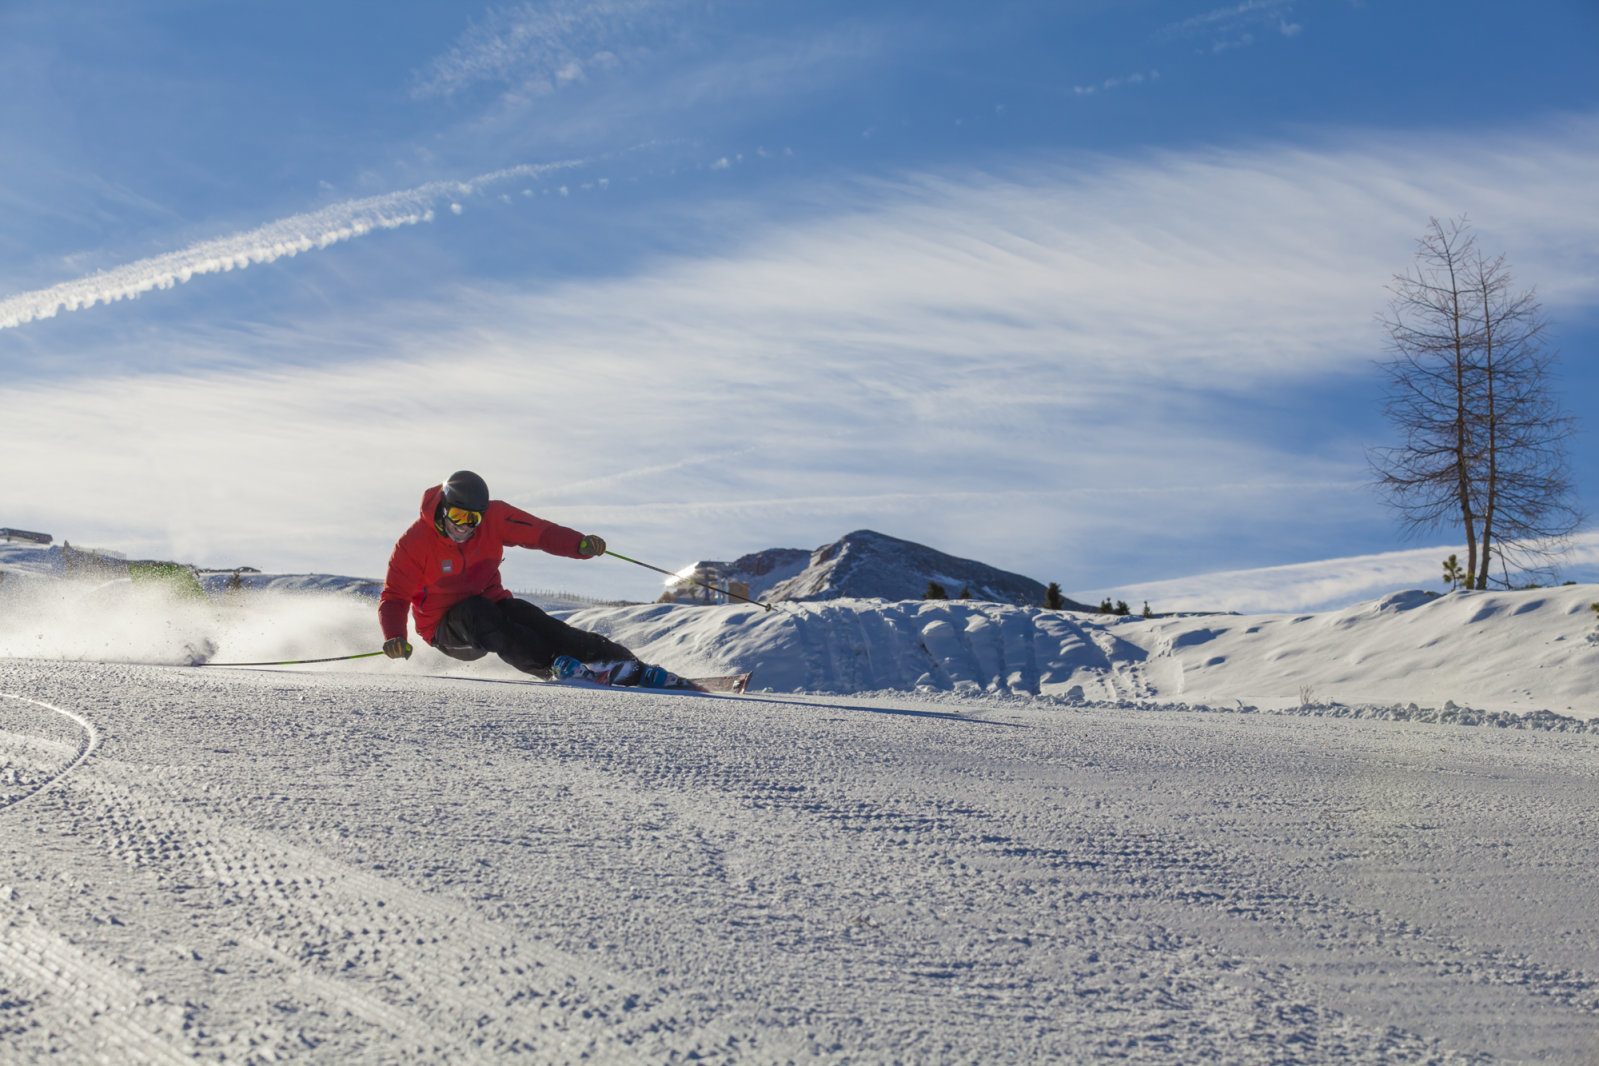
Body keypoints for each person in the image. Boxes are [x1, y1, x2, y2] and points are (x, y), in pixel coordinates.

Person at [380, 470, 653, 682]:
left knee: (534, 620)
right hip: (445, 630)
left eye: (472, 519)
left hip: (491, 605)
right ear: (442, 507)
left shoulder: (495, 518)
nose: (463, 526)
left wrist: (578, 544)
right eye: (457, 515)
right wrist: (395, 636)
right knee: (479, 614)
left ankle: (626, 664)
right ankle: (553, 665)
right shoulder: (413, 543)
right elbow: (394, 597)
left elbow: (540, 533)